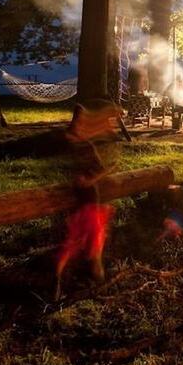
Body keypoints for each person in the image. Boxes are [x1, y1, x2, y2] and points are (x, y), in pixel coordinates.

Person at [55, 99, 121, 300]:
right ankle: (97, 285)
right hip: (87, 204)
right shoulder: (77, 146)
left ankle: (62, 284)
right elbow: (83, 178)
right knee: (89, 246)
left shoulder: (80, 144)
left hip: (88, 202)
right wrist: (103, 172)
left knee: (78, 245)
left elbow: (91, 172)